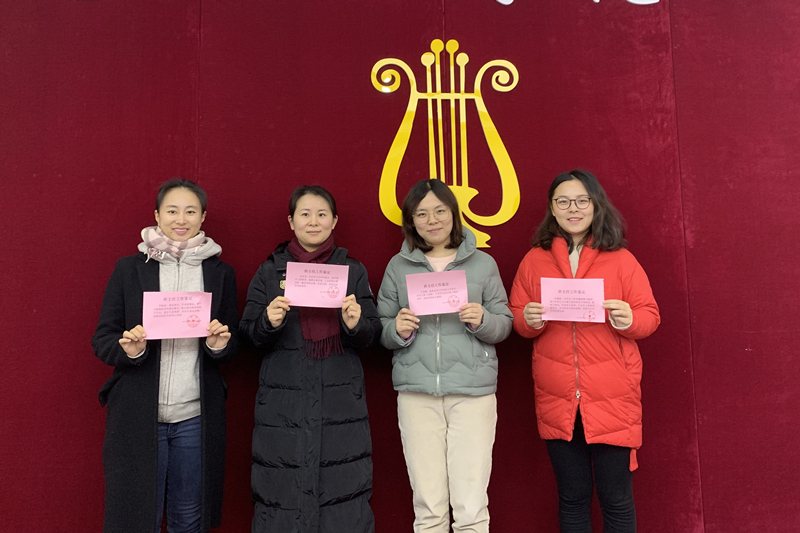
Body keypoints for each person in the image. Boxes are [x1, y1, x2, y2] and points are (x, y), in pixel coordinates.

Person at [509, 170, 660, 533]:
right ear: (552, 208)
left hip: (612, 397)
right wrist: (529, 319)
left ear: (596, 205)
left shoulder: (621, 259)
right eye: (563, 201)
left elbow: (650, 316)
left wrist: (628, 319)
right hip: (558, 398)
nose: (573, 209)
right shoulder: (534, 260)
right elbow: (518, 318)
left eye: (581, 200)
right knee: (573, 498)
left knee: (616, 498)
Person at [92, 179, 240, 533]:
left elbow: (234, 342)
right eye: (172, 210)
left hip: (195, 416)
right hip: (139, 414)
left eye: (190, 211)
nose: (181, 219)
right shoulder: (129, 269)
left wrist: (218, 344)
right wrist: (131, 350)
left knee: (188, 518)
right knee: (135, 518)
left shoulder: (220, 274)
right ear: (157, 215)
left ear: (203, 217)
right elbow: (102, 339)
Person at [241, 185, 381, 533]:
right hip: (282, 403)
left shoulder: (352, 270)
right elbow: (247, 335)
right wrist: (267, 322)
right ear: (291, 221)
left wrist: (355, 324)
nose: (313, 221)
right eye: (305, 214)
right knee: (282, 498)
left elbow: (372, 335)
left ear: (334, 220)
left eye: (322, 214)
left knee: (342, 499)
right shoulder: (269, 271)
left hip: (341, 403)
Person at [376, 179, 513, 533]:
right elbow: (381, 328)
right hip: (416, 393)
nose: (432, 220)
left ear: (454, 214)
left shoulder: (482, 263)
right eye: (422, 214)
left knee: (471, 505)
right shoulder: (398, 266)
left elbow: (504, 324)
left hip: (473, 393)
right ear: (411, 220)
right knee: (428, 506)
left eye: (440, 211)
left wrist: (483, 320)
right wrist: (398, 329)